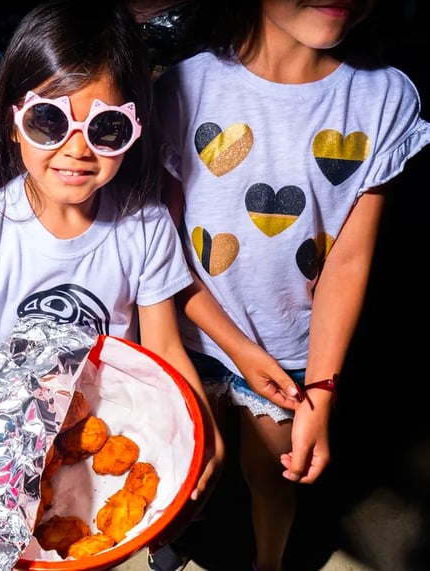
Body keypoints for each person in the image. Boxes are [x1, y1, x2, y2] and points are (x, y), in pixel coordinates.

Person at [0, 0, 224, 526]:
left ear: (135, 129)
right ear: (13, 121)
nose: (77, 149)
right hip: (8, 441)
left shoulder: (147, 226)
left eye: (106, 128)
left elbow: (166, 348)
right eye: (49, 120)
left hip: (115, 426)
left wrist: (200, 431)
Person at [151, 1, 430, 570]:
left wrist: (322, 389)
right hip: (188, 335)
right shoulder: (183, 86)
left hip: (291, 349)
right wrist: (237, 348)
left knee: (272, 477)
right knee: (185, 464)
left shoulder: (384, 100)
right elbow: (160, 250)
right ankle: (174, 531)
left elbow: (346, 264)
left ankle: (268, 565)